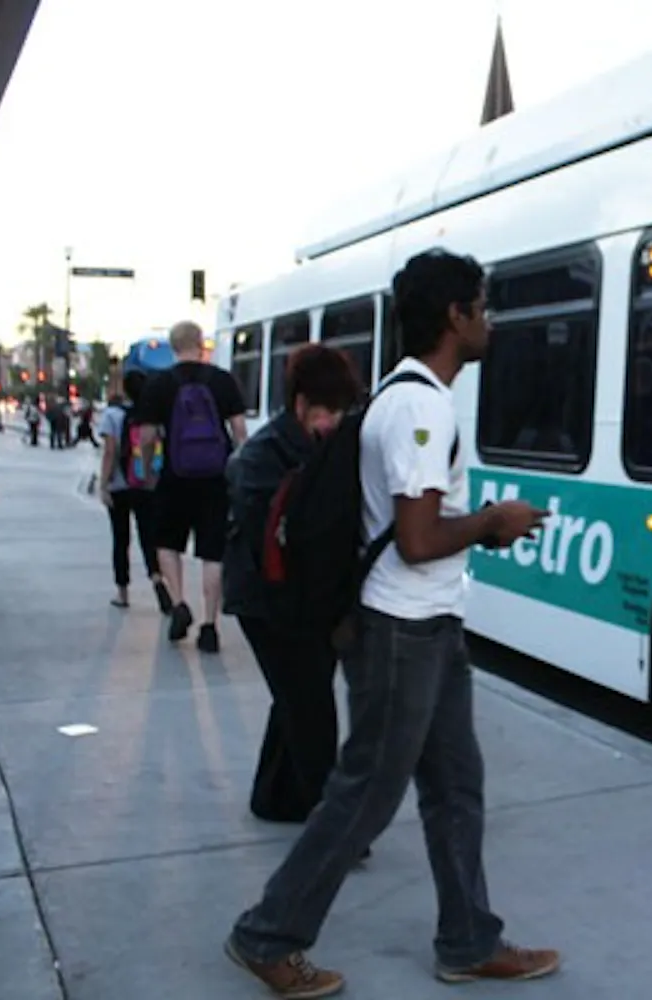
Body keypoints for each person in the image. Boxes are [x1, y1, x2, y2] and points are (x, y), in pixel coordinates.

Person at [225, 249, 558, 998]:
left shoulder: (405, 394)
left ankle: (469, 940)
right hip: (402, 630)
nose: (490, 321)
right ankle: (267, 935)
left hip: (431, 624)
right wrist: (492, 522)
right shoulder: (420, 407)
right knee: (367, 793)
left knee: (456, 786)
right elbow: (416, 539)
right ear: (455, 316)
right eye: (483, 306)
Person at [223, 343, 365, 824]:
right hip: (268, 600)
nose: (335, 422)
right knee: (311, 709)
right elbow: (275, 540)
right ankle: (336, 825)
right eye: (328, 411)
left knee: (297, 698)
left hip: (306, 597)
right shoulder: (261, 459)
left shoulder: (321, 447)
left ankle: (274, 798)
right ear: (301, 404)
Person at [136, 320, 248, 653]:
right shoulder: (222, 380)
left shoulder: (159, 384)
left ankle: (179, 603)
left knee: (166, 543)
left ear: (173, 346)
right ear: (201, 343)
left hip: (175, 476)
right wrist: (239, 467)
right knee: (213, 551)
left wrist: (148, 471)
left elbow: (146, 436)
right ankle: (210, 625)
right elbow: (239, 430)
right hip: (215, 478)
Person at [97, 370, 170, 612]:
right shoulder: (152, 414)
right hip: (145, 483)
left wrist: (103, 484)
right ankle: (158, 580)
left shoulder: (112, 415)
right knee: (149, 537)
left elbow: (110, 451)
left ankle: (123, 593)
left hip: (119, 486)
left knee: (121, 539)